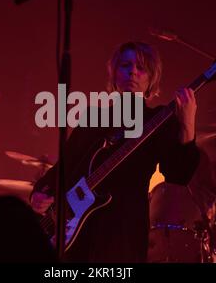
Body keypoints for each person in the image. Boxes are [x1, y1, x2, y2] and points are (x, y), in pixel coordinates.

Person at [30, 41, 200, 262]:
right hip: (78, 237)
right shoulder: (93, 117)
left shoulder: (157, 120)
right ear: (114, 74)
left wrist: (188, 122)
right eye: (126, 65)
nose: (133, 72)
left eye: (141, 67)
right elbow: (64, 168)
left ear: (151, 79)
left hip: (123, 234)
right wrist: (39, 192)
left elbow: (179, 173)